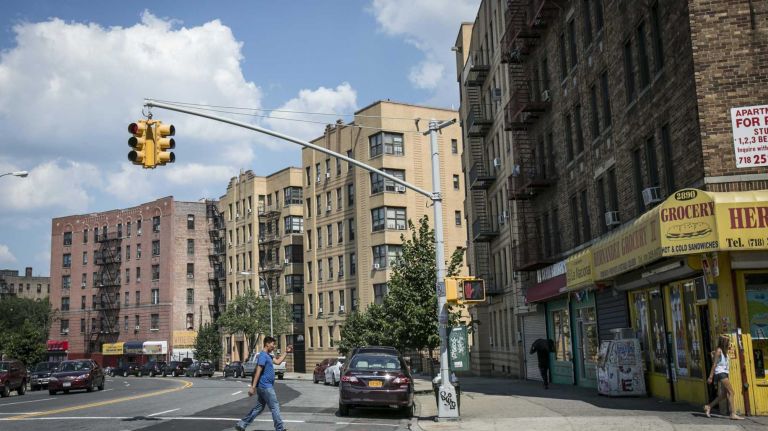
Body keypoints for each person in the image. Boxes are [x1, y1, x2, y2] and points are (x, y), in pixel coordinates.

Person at [235, 337, 293, 431]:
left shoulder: (268, 355)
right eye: (273, 344)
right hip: (266, 387)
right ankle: (279, 428)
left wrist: (286, 351)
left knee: (259, 408)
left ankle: (242, 424)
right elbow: (258, 371)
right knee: (275, 407)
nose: (274, 346)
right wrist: (252, 387)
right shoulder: (263, 356)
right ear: (267, 344)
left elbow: (278, 362)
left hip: (263, 387)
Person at [703, 335, 743, 420]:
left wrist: (712, 354)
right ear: (723, 342)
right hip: (721, 373)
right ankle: (733, 414)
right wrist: (710, 377)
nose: (729, 343)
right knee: (731, 392)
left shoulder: (723, 351)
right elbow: (714, 364)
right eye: (727, 341)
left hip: (724, 373)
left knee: (724, 394)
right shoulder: (719, 350)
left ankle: (708, 406)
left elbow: (715, 356)